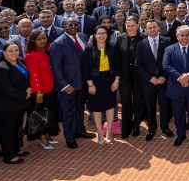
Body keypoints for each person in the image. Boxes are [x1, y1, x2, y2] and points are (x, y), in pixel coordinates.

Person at [49, 19, 91, 149]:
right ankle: (70, 137)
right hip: (69, 84)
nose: (73, 27)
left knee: (80, 108)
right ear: (64, 26)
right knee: (67, 111)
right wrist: (64, 85)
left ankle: (80, 130)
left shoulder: (83, 36)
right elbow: (56, 67)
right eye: (70, 25)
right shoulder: (58, 43)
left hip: (83, 82)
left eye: (75, 24)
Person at [163, 25, 189, 146]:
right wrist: (180, 77)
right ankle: (181, 134)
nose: (185, 37)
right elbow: (166, 65)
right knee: (178, 113)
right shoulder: (169, 49)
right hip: (176, 87)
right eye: (182, 35)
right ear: (177, 37)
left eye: (187, 35)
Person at [0, 44, 30, 164]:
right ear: (3, 52)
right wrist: (24, 95)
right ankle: (9, 156)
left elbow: (25, 78)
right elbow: (5, 88)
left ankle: (15, 150)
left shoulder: (19, 61)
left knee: (15, 129)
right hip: (8, 106)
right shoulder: (1, 68)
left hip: (19, 104)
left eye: (16, 50)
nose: (14, 53)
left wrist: (29, 88)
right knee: (8, 131)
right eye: (10, 51)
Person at [135, 20, 173, 140]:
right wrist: (150, 78)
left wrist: (164, 77)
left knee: (164, 106)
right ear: (146, 30)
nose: (152, 29)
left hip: (163, 81)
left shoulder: (167, 41)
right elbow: (138, 65)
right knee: (150, 107)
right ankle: (152, 129)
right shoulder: (141, 44)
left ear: (158, 28)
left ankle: (165, 127)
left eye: (154, 27)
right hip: (148, 82)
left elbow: (171, 61)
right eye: (149, 28)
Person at [84, 26, 120, 145]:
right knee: (96, 107)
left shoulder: (113, 46)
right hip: (94, 81)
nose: (101, 35)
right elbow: (85, 67)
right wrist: (90, 84)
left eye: (104, 33)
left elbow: (118, 64)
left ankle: (109, 131)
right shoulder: (89, 48)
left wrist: (116, 81)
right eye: (99, 33)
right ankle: (100, 132)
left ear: (107, 35)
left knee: (110, 106)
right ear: (94, 35)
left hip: (109, 79)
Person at [23, 30, 58, 150]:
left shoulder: (49, 50)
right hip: (40, 89)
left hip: (50, 86)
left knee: (48, 112)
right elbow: (34, 75)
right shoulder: (31, 55)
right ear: (33, 41)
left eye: (44, 38)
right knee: (40, 113)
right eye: (39, 39)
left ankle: (47, 134)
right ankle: (41, 137)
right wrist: (38, 92)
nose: (42, 41)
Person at [116, 16, 146, 140]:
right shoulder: (119, 38)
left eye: (133, 25)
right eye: (128, 26)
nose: (130, 28)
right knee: (126, 101)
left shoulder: (144, 38)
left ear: (138, 25)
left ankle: (136, 125)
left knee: (138, 101)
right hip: (125, 76)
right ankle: (126, 126)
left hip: (139, 75)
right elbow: (117, 58)